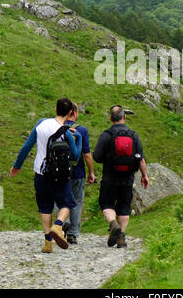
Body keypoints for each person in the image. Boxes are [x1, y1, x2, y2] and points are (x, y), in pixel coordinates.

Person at [10, 98, 82, 253]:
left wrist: (17, 166)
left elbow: (26, 146)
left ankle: (47, 243)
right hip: (60, 175)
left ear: (55, 110)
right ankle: (58, 225)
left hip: (41, 173)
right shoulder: (66, 133)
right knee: (67, 203)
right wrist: (79, 139)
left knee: (45, 207)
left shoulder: (40, 124)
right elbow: (75, 157)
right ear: (70, 113)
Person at [93, 105, 149, 248]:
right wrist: (144, 175)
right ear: (124, 117)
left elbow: (97, 157)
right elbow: (141, 159)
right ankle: (121, 237)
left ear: (111, 119)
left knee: (106, 204)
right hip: (127, 177)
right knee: (124, 207)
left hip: (109, 177)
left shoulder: (106, 135)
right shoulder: (133, 135)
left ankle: (113, 224)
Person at [62, 103, 97, 244]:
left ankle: (63, 221)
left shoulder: (56, 128)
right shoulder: (81, 130)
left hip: (58, 172)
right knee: (76, 201)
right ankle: (73, 234)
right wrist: (91, 172)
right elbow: (87, 154)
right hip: (77, 172)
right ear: (75, 114)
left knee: (59, 198)